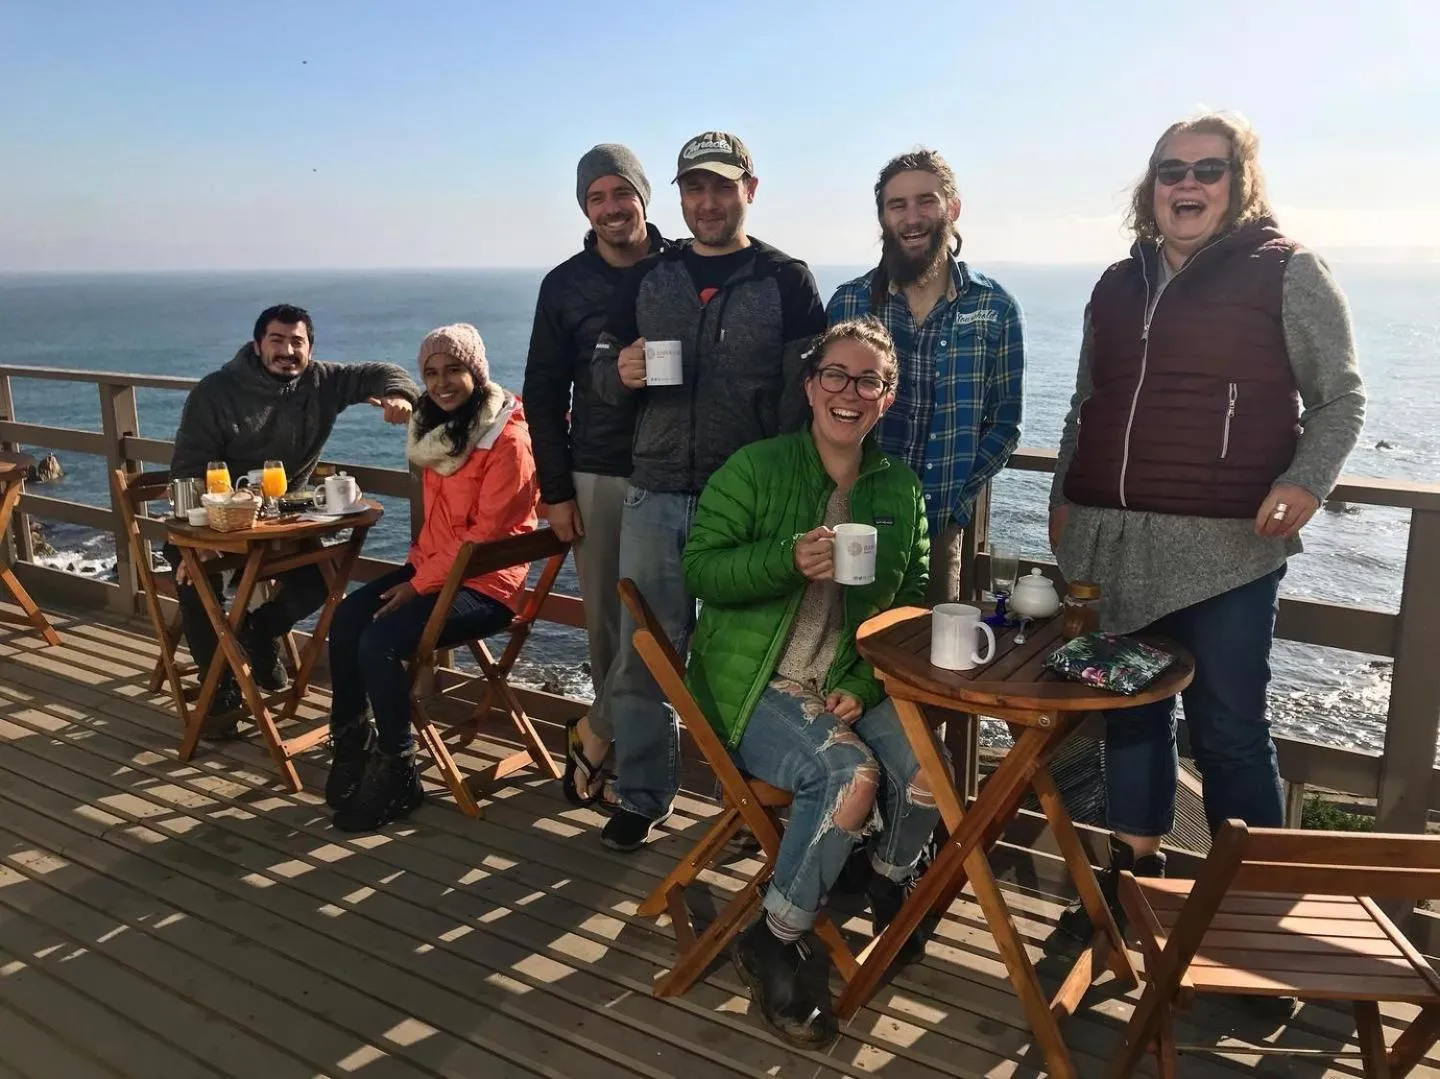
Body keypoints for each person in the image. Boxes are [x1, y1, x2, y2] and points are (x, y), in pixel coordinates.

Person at [1049, 113, 1366, 949]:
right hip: (1113, 539)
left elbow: (1340, 397)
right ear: (1149, 187)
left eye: (1208, 169)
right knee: (1132, 714)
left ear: (1239, 182)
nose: (1187, 185)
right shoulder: (1115, 285)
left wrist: (1306, 479)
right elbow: (1086, 402)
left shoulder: (1289, 271)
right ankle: (1134, 884)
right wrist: (1062, 493)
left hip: (1226, 548)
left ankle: (1254, 919)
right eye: (1170, 170)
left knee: (1228, 729)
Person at [682, 318, 936, 1047]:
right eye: (835, 374)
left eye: (868, 380)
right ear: (809, 384)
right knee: (853, 775)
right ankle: (774, 936)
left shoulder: (900, 488)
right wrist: (785, 560)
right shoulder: (755, 467)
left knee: (925, 771)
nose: (848, 392)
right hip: (758, 684)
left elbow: (906, 599)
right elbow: (702, 569)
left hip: (849, 678)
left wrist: (861, 675)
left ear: (886, 398)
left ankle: (886, 877)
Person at [590, 130, 828, 851]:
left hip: (747, 503)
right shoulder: (648, 279)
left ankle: (747, 804)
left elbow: (805, 397)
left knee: (747, 661)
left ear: (750, 190)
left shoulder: (787, 279)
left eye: (723, 186)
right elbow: (598, 372)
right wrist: (618, 370)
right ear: (681, 196)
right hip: (655, 492)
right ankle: (643, 792)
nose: (709, 201)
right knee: (645, 653)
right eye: (695, 187)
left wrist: (787, 494)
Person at [324, 323, 540, 833]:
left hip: (487, 583)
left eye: (454, 370)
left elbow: (484, 539)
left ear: (477, 373)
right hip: (437, 567)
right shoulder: (437, 429)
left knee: (379, 641)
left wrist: (417, 586)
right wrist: (403, 401)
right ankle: (352, 742)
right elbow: (402, 398)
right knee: (348, 616)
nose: (442, 383)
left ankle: (398, 765)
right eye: (431, 373)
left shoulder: (506, 439)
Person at [168, 304, 418, 734]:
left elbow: (384, 372)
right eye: (277, 341)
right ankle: (220, 689)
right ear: (257, 345)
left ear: (310, 348)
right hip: (215, 518)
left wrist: (400, 395)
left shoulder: (322, 381)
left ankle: (255, 633)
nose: (287, 351)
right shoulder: (215, 392)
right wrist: (201, 539)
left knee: (324, 577)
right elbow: (189, 470)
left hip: (282, 520)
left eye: (297, 342)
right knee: (194, 579)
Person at [521, 144, 671, 808]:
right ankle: (635, 780)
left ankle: (594, 730)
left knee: (664, 632)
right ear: (585, 207)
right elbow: (542, 392)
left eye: (621, 193)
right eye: (596, 197)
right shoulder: (564, 284)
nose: (611, 208)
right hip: (599, 473)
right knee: (613, 633)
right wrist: (555, 491)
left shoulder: (684, 265)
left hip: (681, 472)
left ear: (643, 195)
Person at [827, 150, 1025, 602]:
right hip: (854, 519)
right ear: (883, 217)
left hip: (937, 529)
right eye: (897, 205)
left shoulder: (994, 308)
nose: (912, 218)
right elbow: (824, 405)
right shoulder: (849, 304)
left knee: (926, 656)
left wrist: (955, 503)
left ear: (952, 209)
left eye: (926, 201)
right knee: (845, 646)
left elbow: (1006, 423)